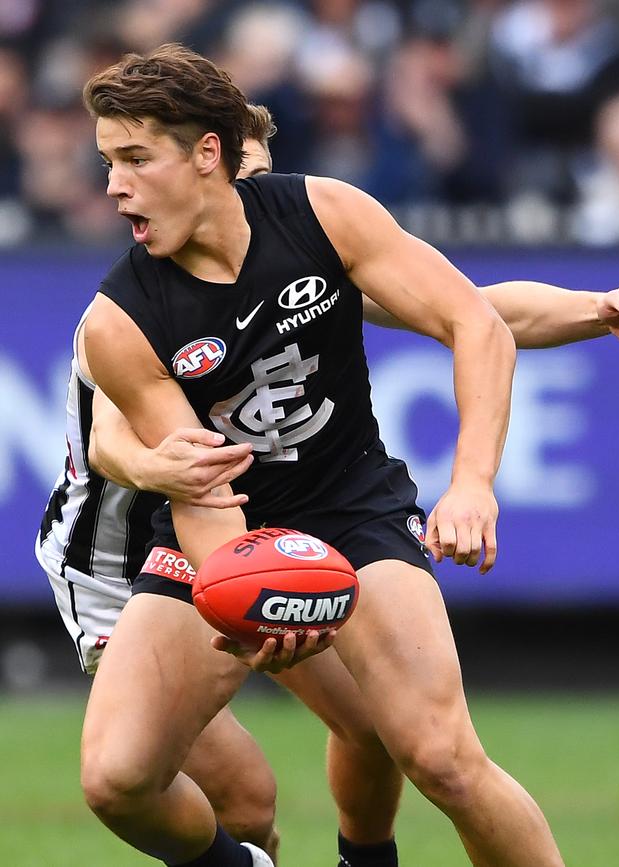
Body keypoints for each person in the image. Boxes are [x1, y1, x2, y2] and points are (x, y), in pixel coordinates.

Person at [78, 42, 572, 867]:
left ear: (208, 155)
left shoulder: (322, 212)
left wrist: (473, 482)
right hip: (218, 535)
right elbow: (203, 487)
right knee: (116, 777)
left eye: (134, 157)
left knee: (443, 758)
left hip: (352, 506)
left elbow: (476, 323)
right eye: (106, 161)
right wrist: (249, 591)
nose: (112, 185)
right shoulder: (119, 321)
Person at [35, 106, 289, 867]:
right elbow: (114, 434)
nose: (258, 203)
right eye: (248, 181)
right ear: (202, 169)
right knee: (171, 787)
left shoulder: (279, 265)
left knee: (252, 801)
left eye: (266, 183)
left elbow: (439, 302)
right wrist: (149, 467)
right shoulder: (135, 307)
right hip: (114, 570)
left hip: (201, 540)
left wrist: (587, 310)